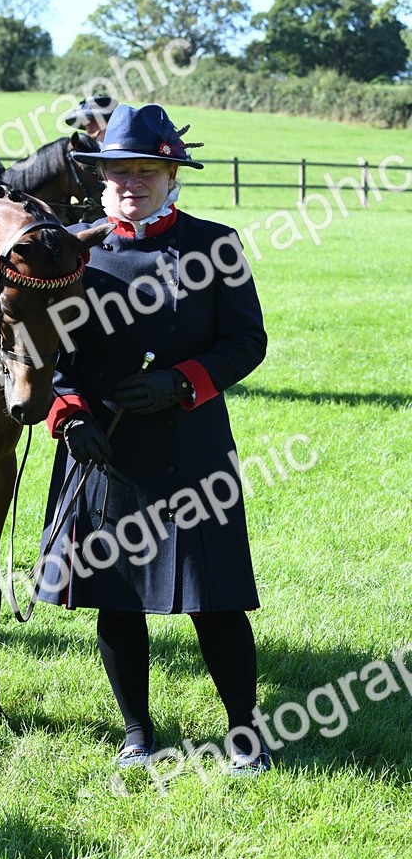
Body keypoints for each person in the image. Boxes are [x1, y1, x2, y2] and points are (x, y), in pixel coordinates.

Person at [36, 103, 271, 775]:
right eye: (117, 173)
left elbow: (246, 341)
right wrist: (70, 415)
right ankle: (138, 734)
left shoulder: (215, 245)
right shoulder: (70, 253)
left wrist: (182, 383)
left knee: (216, 600)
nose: (130, 183)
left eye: (145, 171)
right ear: (100, 179)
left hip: (192, 445)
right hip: (104, 453)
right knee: (115, 599)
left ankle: (246, 734)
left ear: (173, 176)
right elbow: (41, 353)